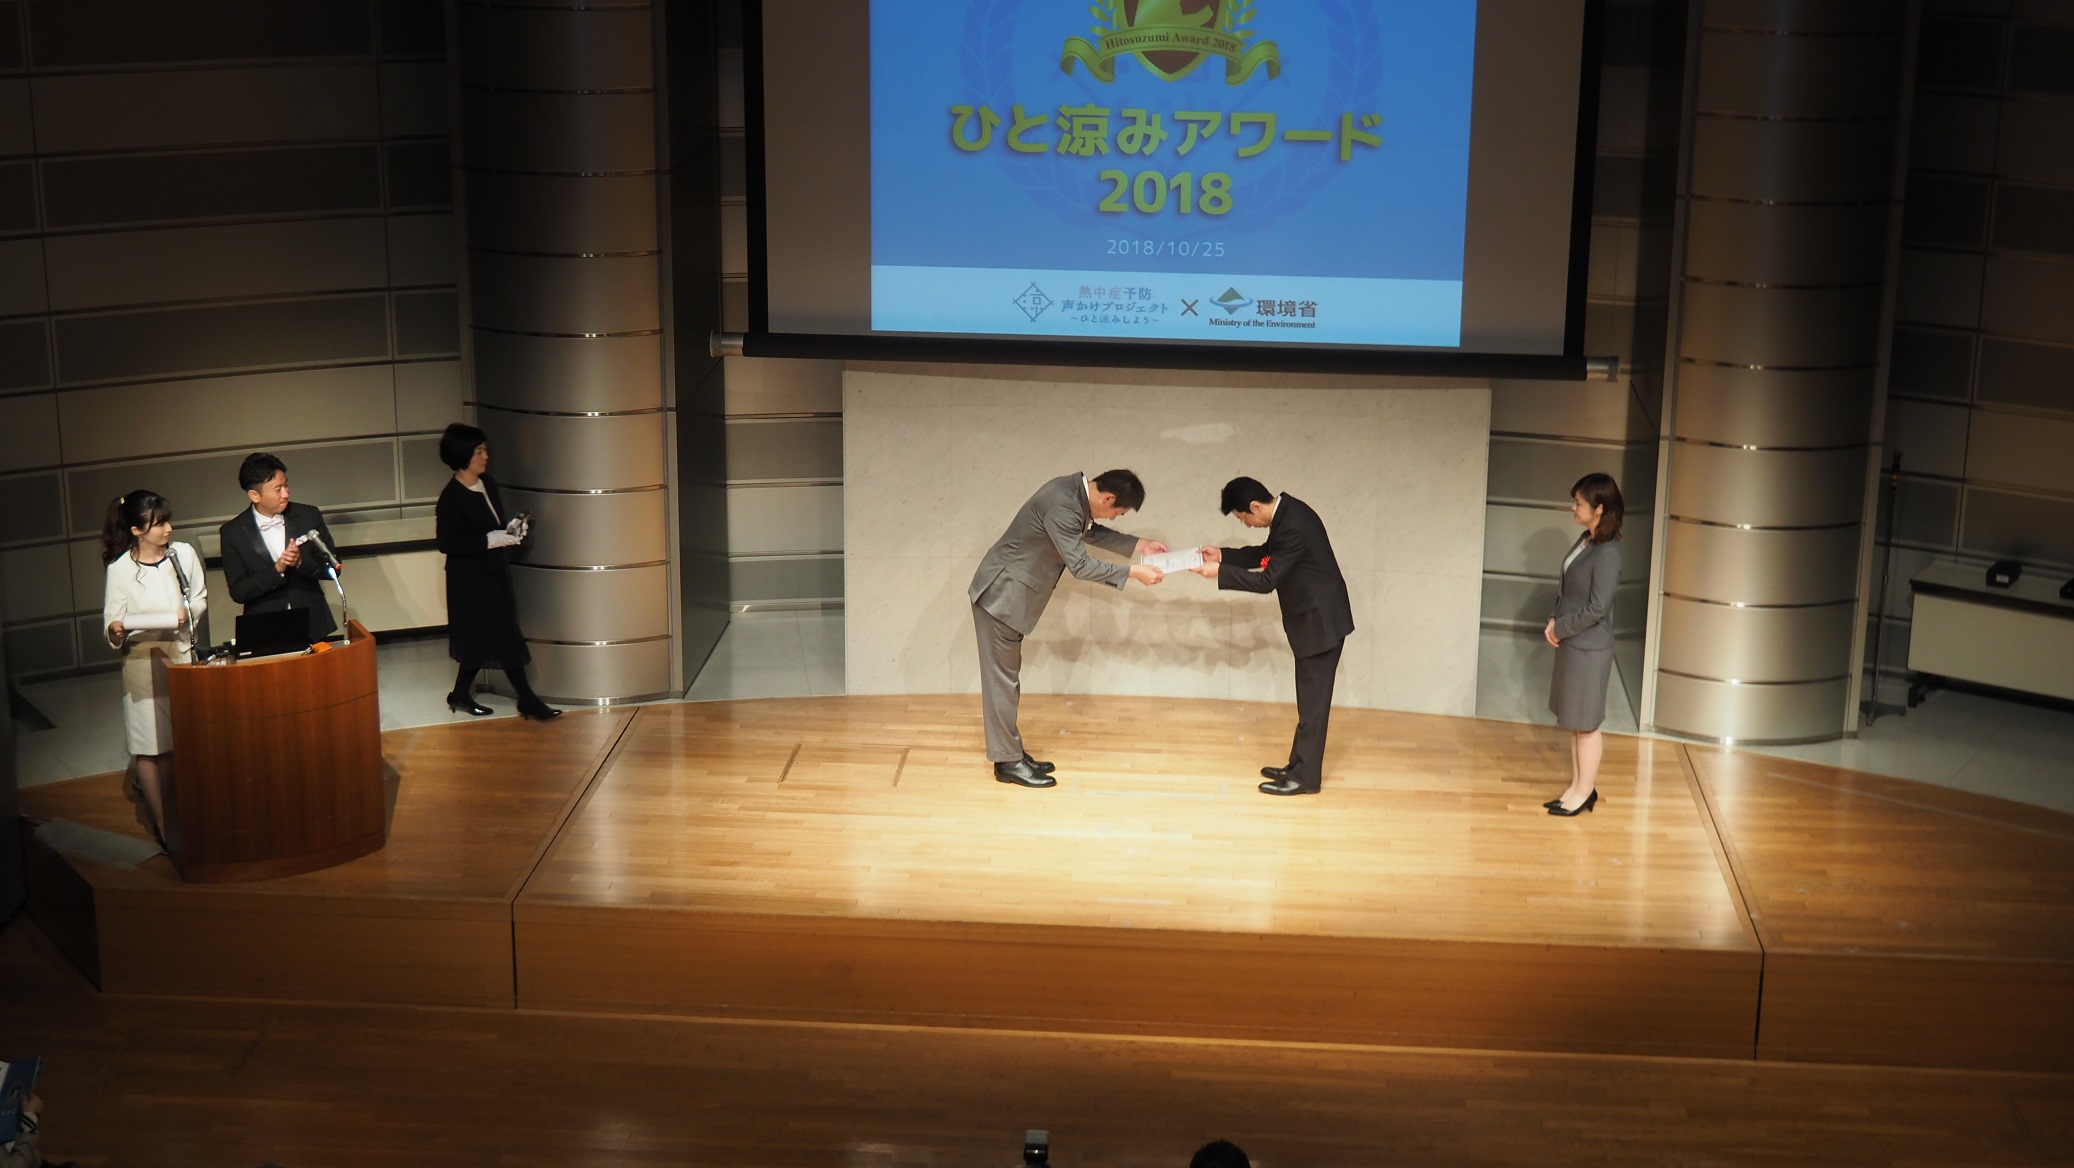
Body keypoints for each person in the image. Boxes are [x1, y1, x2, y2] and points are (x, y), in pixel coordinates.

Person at [970, 470, 1167, 787]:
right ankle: (1007, 762)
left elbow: (1089, 532)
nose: (1114, 518)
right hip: (1001, 595)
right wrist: (1134, 572)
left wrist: (1141, 545)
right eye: (1118, 512)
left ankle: (1011, 752)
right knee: (1001, 683)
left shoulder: (1072, 492)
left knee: (1006, 680)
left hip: (1008, 594)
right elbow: (1081, 565)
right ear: (1108, 498)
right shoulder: (1063, 505)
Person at [1192, 477, 1354, 796]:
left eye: (1244, 518)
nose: (1247, 524)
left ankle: (1305, 779)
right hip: (1314, 621)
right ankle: (1297, 767)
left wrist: (1220, 573)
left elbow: (1267, 580)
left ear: (1255, 506)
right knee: (1308, 704)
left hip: (1321, 624)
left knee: (1313, 708)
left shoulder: (1293, 524)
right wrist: (1222, 555)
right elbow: (1266, 553)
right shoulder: (1288, 514)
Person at [101, 490, 207, 847]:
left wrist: (188, 613)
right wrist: (116, 630)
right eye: (159, 524)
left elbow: (200, 597)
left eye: (167, 521)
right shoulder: (121, 569)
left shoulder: (183, 554)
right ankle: (164, 823)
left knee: (185, 741)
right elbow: (112, 623)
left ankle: (193, 814)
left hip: (180, 656)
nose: (168, 529)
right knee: (149, 745)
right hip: (142, 661)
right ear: (136, 530)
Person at [435, 423, 559, 721]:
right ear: (463, 454)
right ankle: (527, 700)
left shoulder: (487, 483)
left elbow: (494, 525)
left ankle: (460, 693)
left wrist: (510, 530)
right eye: (479, 451)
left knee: (484, 637)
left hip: (492, 574)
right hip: (469, 581)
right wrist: (489, 540)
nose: (485, 456)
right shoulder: (451, 497)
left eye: (485, 450)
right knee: (501, 636)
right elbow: (447, 543)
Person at [1544, 472, 1624, 817]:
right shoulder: (1585, 540)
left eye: (1579, 503)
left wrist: (1560, 629)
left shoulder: (1608, 553)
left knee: (1588, 725)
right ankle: (1577, 787)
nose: (1573, 507)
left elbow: (1597, 608)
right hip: (1574, 644)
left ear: (1599, 508)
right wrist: (1554, 618)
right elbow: (1568, 589)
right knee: (1577, 722)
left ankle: (1585, 791)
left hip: (1590, 649)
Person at [219, 452, 340, 643]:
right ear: (254, 495)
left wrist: (300, 562)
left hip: (312, 623)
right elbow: (239, 591)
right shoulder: (232, 532)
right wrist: (277, 569)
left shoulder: (308, 515)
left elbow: (334, 567)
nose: (286, 494)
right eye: (278, 489)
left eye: (286, 485)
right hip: (264, 629)